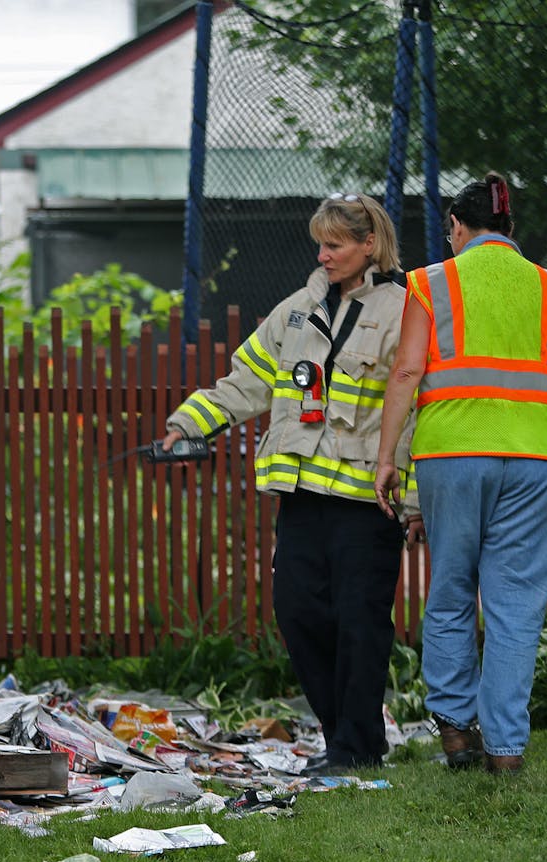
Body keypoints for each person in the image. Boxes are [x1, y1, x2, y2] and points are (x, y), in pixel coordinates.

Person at [163, 193, 423, 776]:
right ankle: (343, 741)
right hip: (303, 498)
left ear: (369, 247)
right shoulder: (296, 311)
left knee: (360, 624)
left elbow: (416, 415)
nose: (323, 255)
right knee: (299, 614)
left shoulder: (405, 312)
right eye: (321, 244)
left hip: (366, 503)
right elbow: (244, 382)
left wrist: (412, 501)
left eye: (334, 244)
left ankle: (355, 748)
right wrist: (187, 424)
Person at [374, 172, 547, 775]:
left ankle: (457, 734)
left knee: (451, 594)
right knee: (516, 606)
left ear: (457, 229)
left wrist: (388, 458)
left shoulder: (431, 283)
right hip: (541, 458)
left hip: (452, 455)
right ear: (511, 231)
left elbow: (408, 374)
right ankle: (507, 752)